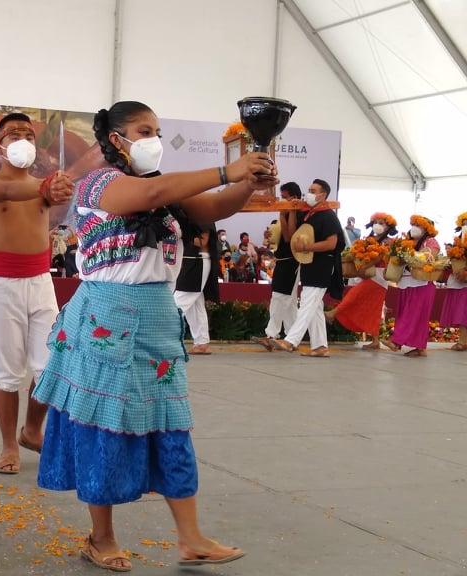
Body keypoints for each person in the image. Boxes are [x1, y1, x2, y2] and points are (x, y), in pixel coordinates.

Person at [32, 101, 276, 570]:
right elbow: (147, 195)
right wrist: (229, 169)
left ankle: (191, 538)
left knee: (171, 424)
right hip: (106, 318)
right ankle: (100, 538)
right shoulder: (98, 182)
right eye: (145, 130)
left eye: (158, 130)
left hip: (158, 317)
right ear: (117, 139)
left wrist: (247, 183)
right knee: (101, 423)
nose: (154, 138)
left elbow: (211, 209)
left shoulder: (164, 191)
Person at [0, 112, 74, 475]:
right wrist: (45, 188)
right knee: (6, 373)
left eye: (28, 134)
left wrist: (59, 190)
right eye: (12, 132)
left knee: (49, 368)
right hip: (1, 284)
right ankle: (7, 446)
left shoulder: (43, 185)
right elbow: (0, 192)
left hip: (40, 281)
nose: (21, 138)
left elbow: (51, 202)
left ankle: (32, 430)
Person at [273, 179, 344, 357]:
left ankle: (291, 340)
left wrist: (307, 248)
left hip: (322, 266)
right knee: (315, 308)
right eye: (309, 189)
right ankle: (320, 346)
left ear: (323, 195)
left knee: (306, 304)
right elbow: (291, 237)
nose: (309, 193)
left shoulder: (328, 215)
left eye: (313, 190)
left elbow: (331, 243)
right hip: (309, 266)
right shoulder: (310, 214)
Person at [326, 213, 398, 349]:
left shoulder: (389, 242)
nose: (378, 225)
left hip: (379, 276)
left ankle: (333, 313)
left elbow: (380, 257)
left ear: (389, 227)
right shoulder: (369, 239)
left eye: (382, 223)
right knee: (373, 309)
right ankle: (375, 340)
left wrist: (364, 266)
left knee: (355, 295)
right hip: (369, 274)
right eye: (376, 222)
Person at [252, 182, 303, 350]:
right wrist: (269, 235)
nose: (282, 200)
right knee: (288, 303)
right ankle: (291, 338)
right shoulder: (286, 214)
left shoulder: (298, 214)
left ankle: (271, 335)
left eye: (285, 197)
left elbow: (289, 237)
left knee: (280, 298)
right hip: (282, 260)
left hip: (292, 261)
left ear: (294, 197)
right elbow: (277, 239)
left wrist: (283, 214)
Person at [382, 215, 441, 357]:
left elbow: (430, 256)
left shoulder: (430, 242)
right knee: (406, 315)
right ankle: (420, 348)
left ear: (426, 228)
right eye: (413, 224)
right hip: (405, 283)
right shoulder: (406, 241)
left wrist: (410, 254)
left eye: (418, 225)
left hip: (421, 284)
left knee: (413, 315)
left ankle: (396, 342)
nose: (414, 227)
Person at [174, 229, 214, 354]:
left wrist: (179, 233)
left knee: (178, 301)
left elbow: (202, 241)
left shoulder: (203, 216)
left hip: (197, 261)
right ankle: (201, 342)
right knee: (195, 306)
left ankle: (159, 336)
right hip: (190, 260)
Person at [440, 212, 467, 351]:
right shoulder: (459, 243)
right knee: (462, 312)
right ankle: (463, 340)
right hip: (459, 282)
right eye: (463, 224)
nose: (465, 226)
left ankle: (463, 342)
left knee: (463, 311)